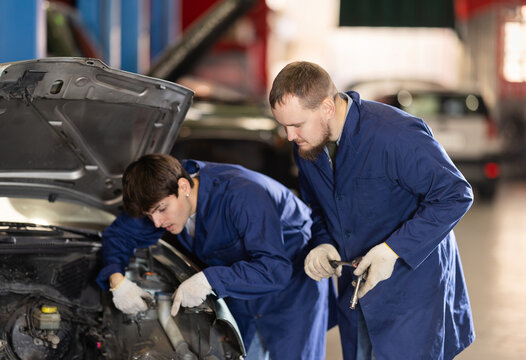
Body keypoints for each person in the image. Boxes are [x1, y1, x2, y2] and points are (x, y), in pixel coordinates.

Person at [269, 61, 475, 360]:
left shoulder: (396, 134)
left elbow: (456, 194)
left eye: (297, 124)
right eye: (283, 126)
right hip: (356, 290)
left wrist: (394, 250)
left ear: (327, 107)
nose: (289, 136)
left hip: (413, 292)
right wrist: (323, 241)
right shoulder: (307, 146)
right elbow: (317, 206)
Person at [95, 154, 329, 360]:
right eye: (150, 215)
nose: (156, 223)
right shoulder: (163, 191)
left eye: (161, 210)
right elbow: (119, 235)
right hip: (239, 287)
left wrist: (209, 280)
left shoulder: (241, 194)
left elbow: (275, 270)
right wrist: (117, 280)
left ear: (184, 187)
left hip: (292, 288)